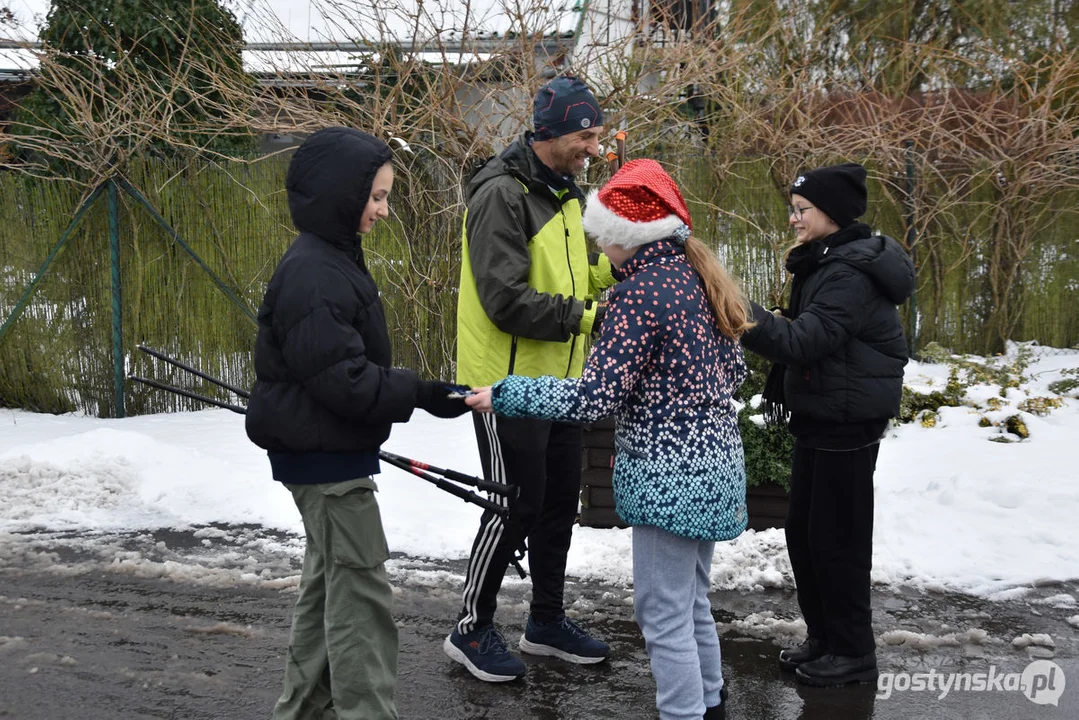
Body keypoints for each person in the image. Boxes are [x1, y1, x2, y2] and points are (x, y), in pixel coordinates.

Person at [466, 158, 751, 720]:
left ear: (624, 236)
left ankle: (683, 713)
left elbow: (592, 399)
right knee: (692, 603)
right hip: (717, 467)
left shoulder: (638, 297)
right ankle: (711, 702)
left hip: (669, 479)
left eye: (603, 238)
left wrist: (506, 393)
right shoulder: (699, 280)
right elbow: (734, 373)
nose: (600, 251)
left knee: (662, 614)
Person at [245, 127, 472, 720]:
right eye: (375, 197)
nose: (383, 210)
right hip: (327, 462)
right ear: (341, 196)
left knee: (331, 588)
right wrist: (418, 392)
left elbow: (340, 368)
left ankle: (303, 711)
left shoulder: (329, 258)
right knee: (360, 600)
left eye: (385, 196)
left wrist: (418, 391)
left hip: (325, 455)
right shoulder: (316, 271)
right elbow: (341, 380)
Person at [445, 75, 617, 682]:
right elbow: (505, 300)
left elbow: (572, 278)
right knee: (510, 507)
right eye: (585, 135)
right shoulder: (502, 194)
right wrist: (590, 318)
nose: (593, 147)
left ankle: (545, 620)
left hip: (561, 385)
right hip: (504, 386)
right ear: (551, 132)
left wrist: (617, 281)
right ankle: (470, 628)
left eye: (596, 135)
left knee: (555, 506)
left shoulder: (564, 191)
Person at [740, 162, 915, 687]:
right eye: (792, 208)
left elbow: (804, 342)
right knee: (807, 535)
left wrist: (735, 310)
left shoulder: (848, 273)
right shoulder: (826, 262)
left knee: (837, 539)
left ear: (832, 214)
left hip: (846, 418)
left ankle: (853, 652)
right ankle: (826, 639)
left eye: (803, 209)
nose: (793, 218)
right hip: (823, 414)